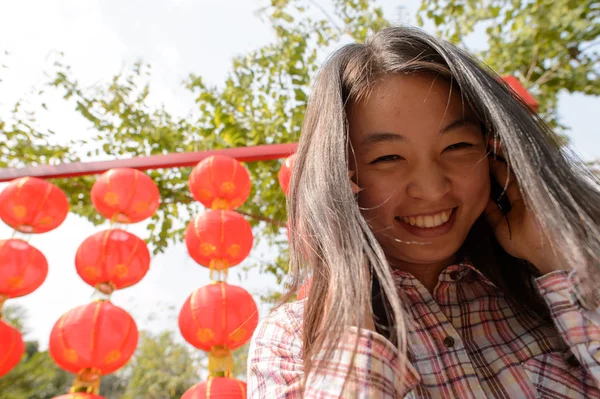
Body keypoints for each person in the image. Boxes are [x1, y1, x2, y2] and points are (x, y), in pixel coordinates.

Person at [247, 26, 600, 398]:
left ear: (497, 154)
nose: (432, 189)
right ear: (342, 177)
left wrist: (559, 260)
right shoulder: (289, 344)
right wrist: (351, 314)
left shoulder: (550, 290)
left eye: (457, 145)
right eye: (387, 158)